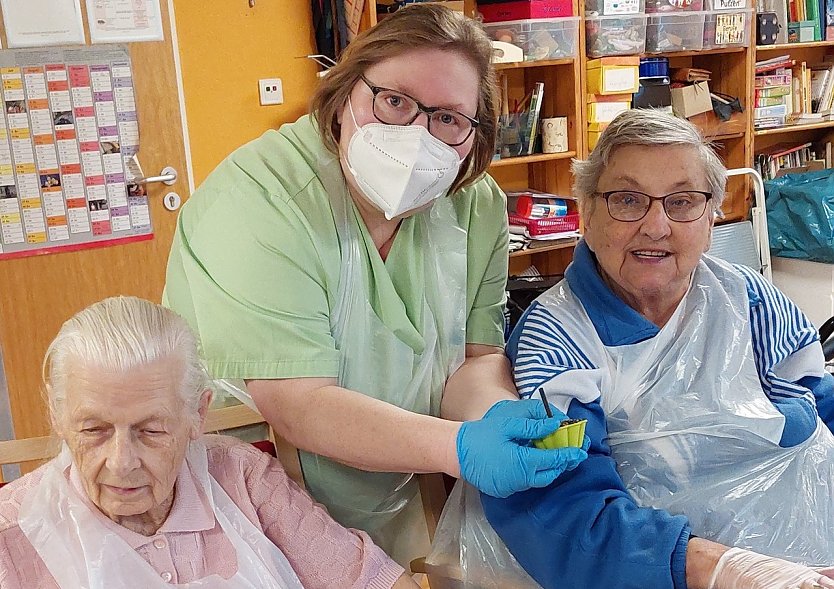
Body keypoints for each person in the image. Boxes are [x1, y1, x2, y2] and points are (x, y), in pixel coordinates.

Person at [163, 3, 587, 565]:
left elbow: (472, 359)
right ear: (344, 98)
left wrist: (495, 416)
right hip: (252, 493)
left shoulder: (474, 205)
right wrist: (457, 448)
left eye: (448, 119)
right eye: (394, 101)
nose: (416, 135)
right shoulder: (262, 200)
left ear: (474, 137)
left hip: (405, 485)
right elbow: (296, 405)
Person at [480, 109, 834, 589]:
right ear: (587, 212)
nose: (656, 226)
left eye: (682, 202)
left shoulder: (749, 300)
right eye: (628, 200)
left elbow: (821, 411)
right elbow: (566, 515)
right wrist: (722, 570)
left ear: (711, 216)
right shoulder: (558, 338)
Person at [0, 296, 418, 588]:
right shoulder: (13, 535)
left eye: (151, 431)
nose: (121, 462)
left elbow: (367, 579)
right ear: (57, 416)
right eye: (94, 430)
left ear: (197, 414)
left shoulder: (241, 477)